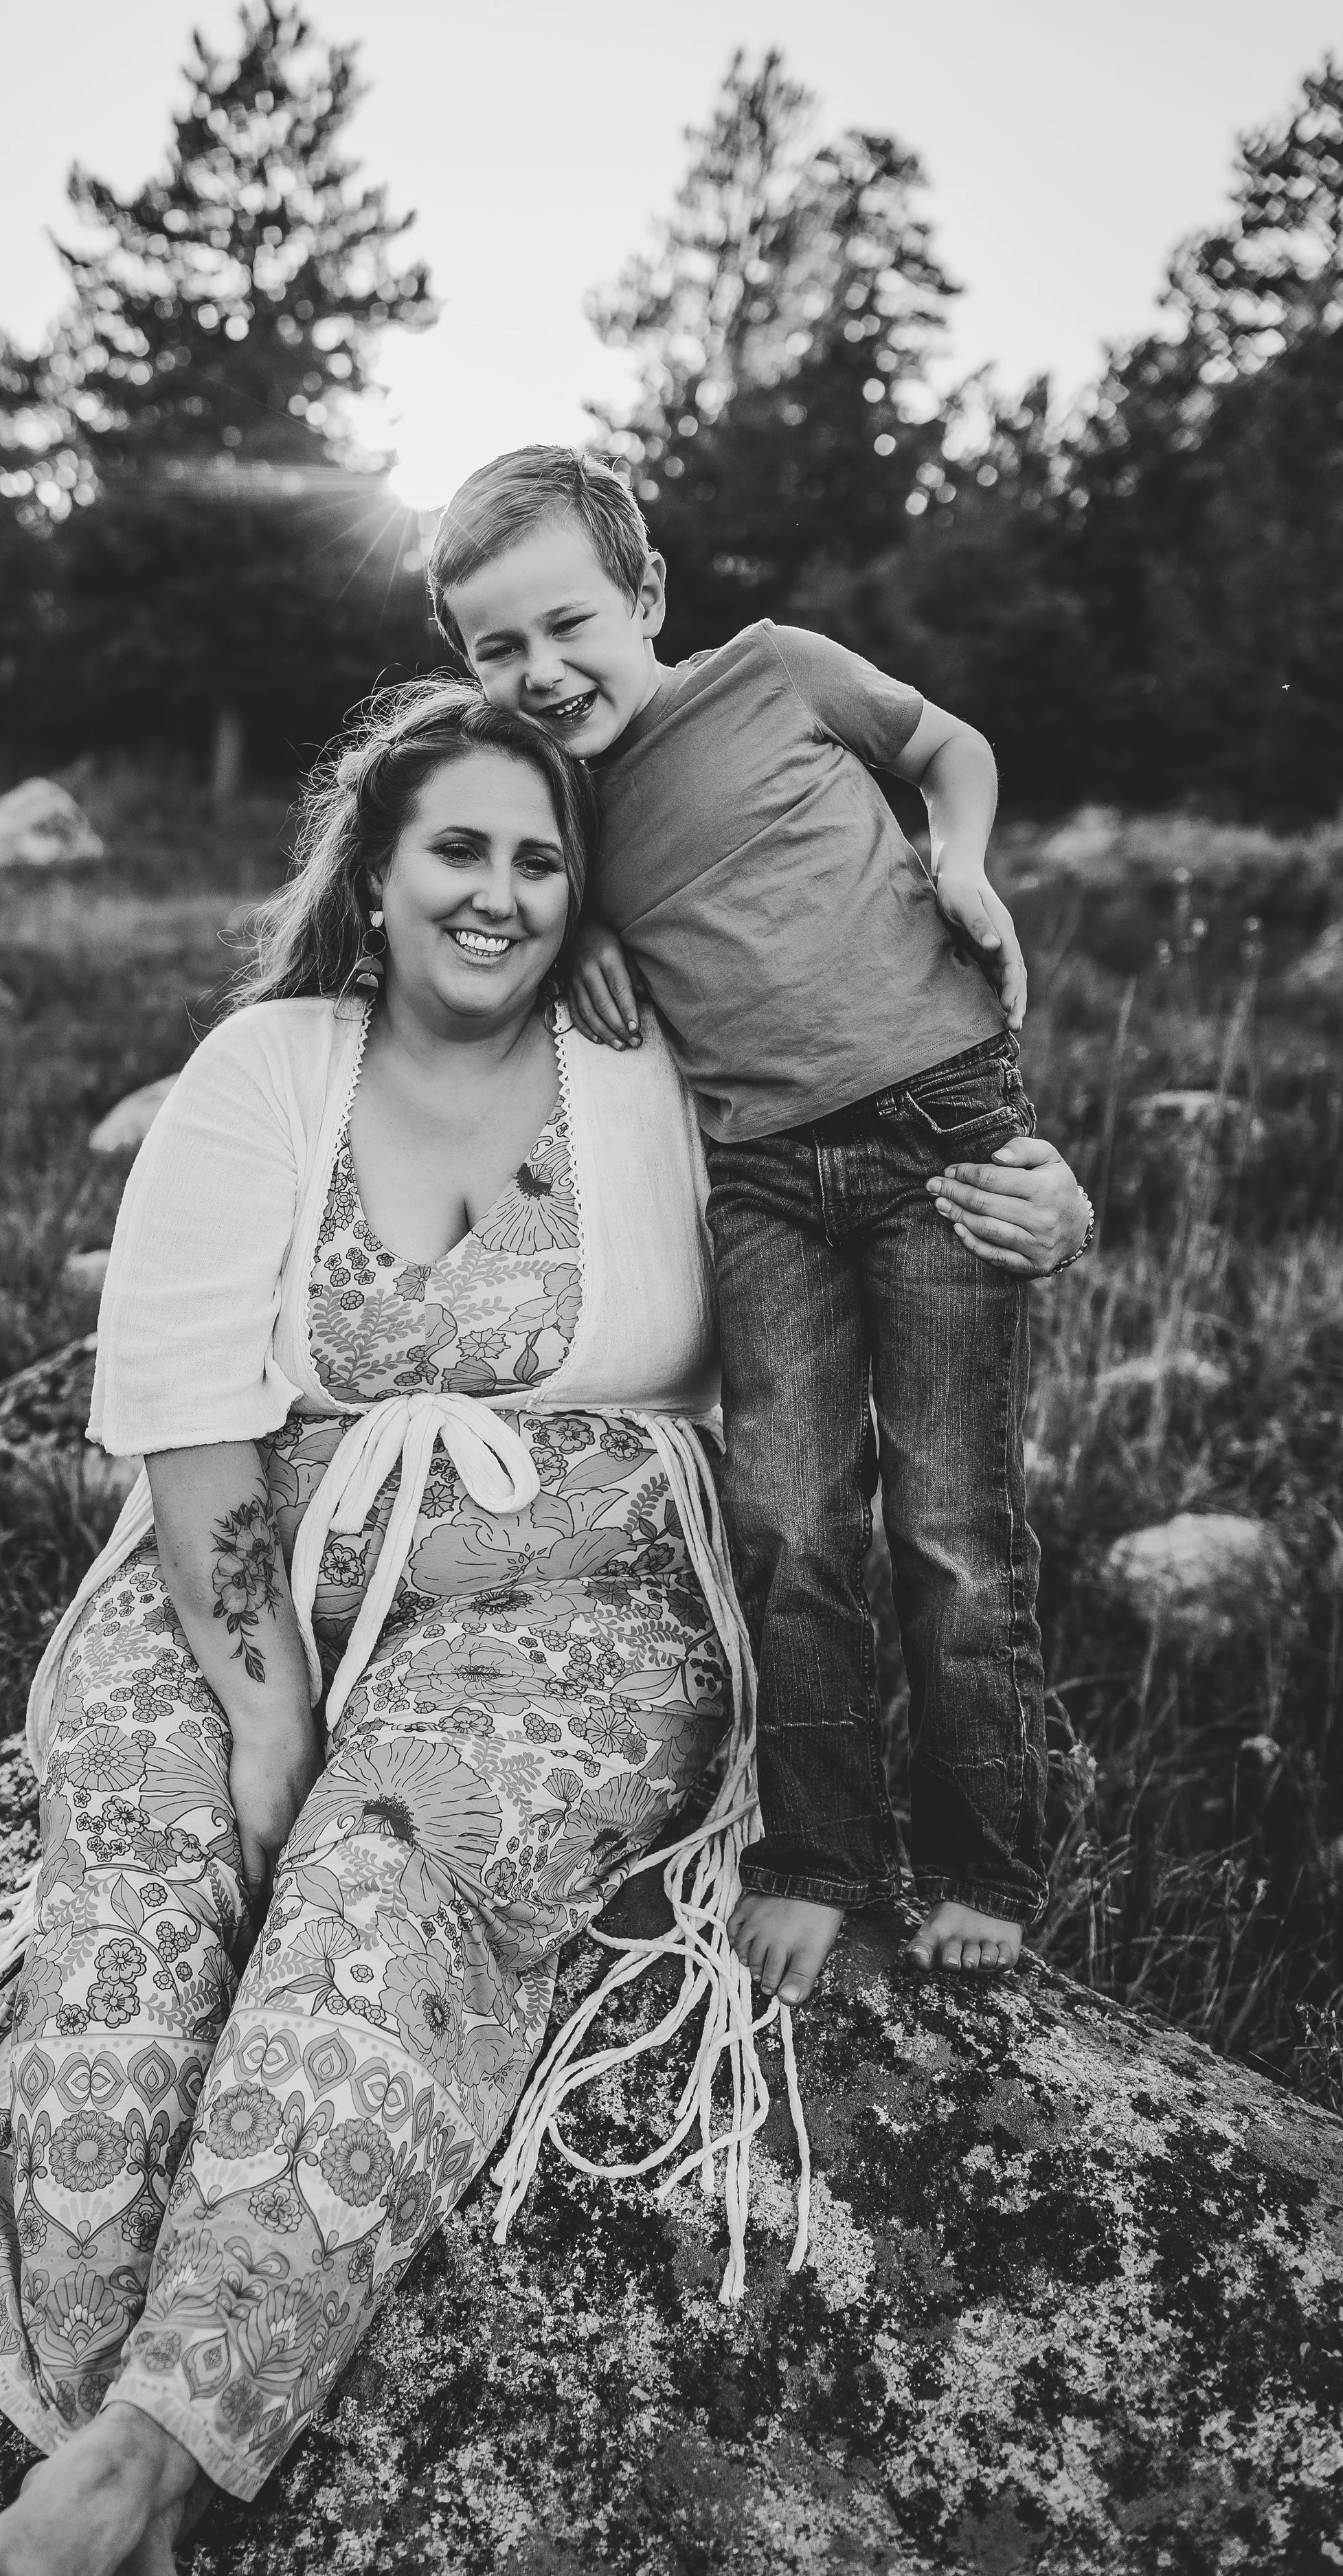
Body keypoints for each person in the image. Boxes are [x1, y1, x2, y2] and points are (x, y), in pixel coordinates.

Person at [0, 681, 777, 2576]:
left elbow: (857, 1155)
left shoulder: (643, 1060)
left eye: (539, 855)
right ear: (377, 869)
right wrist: (266, 1712)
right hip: (260, 1580)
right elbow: (190, 1411)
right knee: (152, 1872)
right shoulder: (272, 1063)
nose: (498, 892)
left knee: (374, 1878)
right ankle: (107, 2388)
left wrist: (1008, 1181)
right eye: (460, 847)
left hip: (565, 1608)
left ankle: (151, 2455)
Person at [427, 447, 1093, 2022]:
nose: (538, 671)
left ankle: (987, 1861)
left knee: (949, 1520)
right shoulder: (557, 806)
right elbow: (538, 884)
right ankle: (821, 1852)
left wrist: (957, 853)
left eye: (566, 625)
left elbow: (951, 744)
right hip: (769, 1178)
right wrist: (582, 925)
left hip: (938, 1124)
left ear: (646, 595)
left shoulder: (777, 671)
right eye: (492, 649)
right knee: (788, 1515)